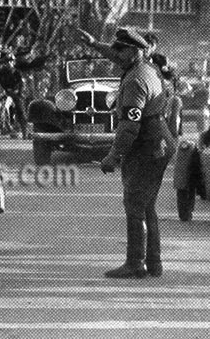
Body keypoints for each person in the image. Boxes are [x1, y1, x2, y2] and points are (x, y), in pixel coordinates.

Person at [79, 28, 176, 278]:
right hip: (159, 140)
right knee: (147, 206)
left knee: (135, 204)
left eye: (121, 51)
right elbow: (116, 55)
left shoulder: (135, 80)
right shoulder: (147, 67)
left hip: (147, 144)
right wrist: (95, 44)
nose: (116, 56)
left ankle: (136, 263)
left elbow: (129, 127)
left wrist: (113, 155)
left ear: (134, 51)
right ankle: (153, 263)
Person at [0, 53, 27, 138]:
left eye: (10, 61)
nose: (8, 63)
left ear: (13, 62)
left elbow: (22, 85)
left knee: (20, 109)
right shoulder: (0, 72)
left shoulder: (17, 72)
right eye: (6, 62)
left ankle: (25, 131)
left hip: (16, 94)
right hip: (4, 93)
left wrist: (18, 93)